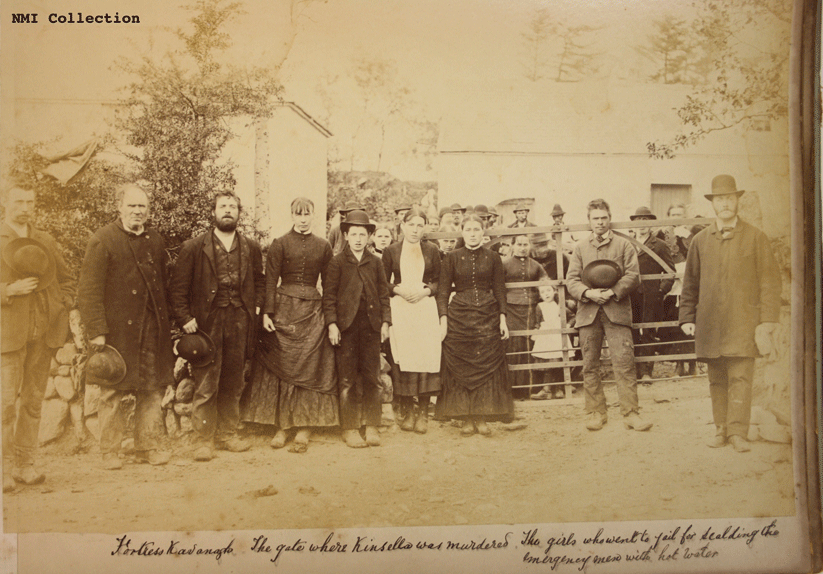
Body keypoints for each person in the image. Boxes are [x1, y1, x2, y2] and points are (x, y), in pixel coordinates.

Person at [679, 175, 781, 453]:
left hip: (743, 322)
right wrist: (687, 318)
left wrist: (767, 321)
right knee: (717, 379)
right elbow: (690, 283)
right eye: (719, 199)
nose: (725, 203)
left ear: (737, 201)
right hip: (710, 323)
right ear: (713, 204)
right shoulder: (700, 241)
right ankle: (720, 430)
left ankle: (738, 433)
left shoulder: (756, 237)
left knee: (741, 378)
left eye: (729, 198)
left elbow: (770, 281)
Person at [78, 183, 175, 469]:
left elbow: (163, 286)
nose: (137, 211)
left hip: (151, 328)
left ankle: (149, 446)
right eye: (131, 205)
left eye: (142, 206)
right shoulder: (103, 239)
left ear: (149, 211)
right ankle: (110, 450)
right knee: (112, 389)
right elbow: (88, 290)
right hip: (117, 331)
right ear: (119, 207)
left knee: (152, 387)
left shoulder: (155, 240)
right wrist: (97, 330)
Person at [169, 192, 264, 461]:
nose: (228, 210)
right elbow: (177, 289)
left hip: (240, 322)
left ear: (239, 213)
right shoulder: (194, 247)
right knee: (206, 382)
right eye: (222, 206)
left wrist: (255, 308)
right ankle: (203, 440)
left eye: (232, 207)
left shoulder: (251, 247)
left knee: (233, 381)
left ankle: (227, 435)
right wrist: (185, 318)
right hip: (207, 324)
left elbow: (260, 281)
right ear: (213, 212)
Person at [240, 197, 338, 453]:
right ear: (292, 216)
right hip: (284, 310)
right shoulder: (280, 243)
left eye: (307, 214)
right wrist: (268, 314)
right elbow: (270, 281)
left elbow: (329, 286)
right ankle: (282, 427)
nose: (303, 219)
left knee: (310, 366)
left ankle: (305, 428)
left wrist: (330, 319)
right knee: (282, 366)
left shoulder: (324, 245)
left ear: (313, 215)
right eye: (298, 214)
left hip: (313, 313)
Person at [1, 180, 75, 490]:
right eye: (18, 202)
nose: (25, 208)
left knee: (32, 403)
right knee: (4, 404)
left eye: (30, 202)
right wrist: (8, 290)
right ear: (5, 202)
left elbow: (68, 279)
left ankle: (25, 465)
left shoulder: (45, 239)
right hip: (7, 336)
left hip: (43, 333)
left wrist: (61, 305)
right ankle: (3, 469)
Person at [566, 198, 651, 432]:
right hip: (588, 313)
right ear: (589, 221)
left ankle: (631, 413)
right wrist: (589, 293)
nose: (600, 222)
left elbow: (633, 275)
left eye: (604, 218)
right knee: (590, 365)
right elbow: (571, 280)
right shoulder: (580, 248)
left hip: (617, 311)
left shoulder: (624, 246)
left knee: (624, 362)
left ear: (609, 218)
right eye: (595, 218)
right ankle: (596, 413)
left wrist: (613, 292)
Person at [436, 214, 513, 436]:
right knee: (461, 364)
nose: (472, 234)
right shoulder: (451, 257)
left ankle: (481, 416)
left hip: (487, 315)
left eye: (476, 229)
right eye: (468, 229)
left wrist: (502, 318)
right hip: (459, 316)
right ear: (462, 232)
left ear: (483, 232)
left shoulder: (493, 257)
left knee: (485, 362)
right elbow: (443, 292)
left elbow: (500, 289)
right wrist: (443, 320)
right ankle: (465, 418)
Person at [323, 209, 391, 448]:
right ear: (346, 235)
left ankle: (372, 425)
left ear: (369, 236)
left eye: (363, 234)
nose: (358, 239)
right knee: (347, 380)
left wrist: (385, 322)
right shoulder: (337, 262)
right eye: (354, 234)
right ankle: (350, 428)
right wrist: (332, 324)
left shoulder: (376, 262)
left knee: (373, 378)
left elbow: (383, 295)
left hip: (371, 326)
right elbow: (329, 297)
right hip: (346, 328)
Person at [382, 208, 442, 434]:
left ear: (424, 227)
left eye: (420, 225)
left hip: (424, 307)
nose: (415, 230)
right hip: (401, 308)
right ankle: (408, 411)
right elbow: (382, 281)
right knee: (405, 356)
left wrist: (426, 291)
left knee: (426, 356)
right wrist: (397, 289)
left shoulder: (432, 250)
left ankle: (423, 413)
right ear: (403, 226)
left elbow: (440, 281)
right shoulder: (391, 251)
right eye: (411, 225)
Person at [628, 206, 674, 381]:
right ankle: (634, 370)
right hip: (629, 295)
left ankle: (647, 371)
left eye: (645, 220)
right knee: (631, 330)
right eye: (638, 220)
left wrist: (661, 290)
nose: (642, 224)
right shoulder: (626, 243)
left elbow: (670, 271)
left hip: (651, 296)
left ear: (651, 223)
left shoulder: (660, 245)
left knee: (648, 332)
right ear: (633, 223)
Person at [502, 234, 548, 400]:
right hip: (511, 309)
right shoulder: (504, 264)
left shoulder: (536, 265)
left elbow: (546, 284)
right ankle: (513, 389)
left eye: (525, 244)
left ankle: (531, 389)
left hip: (530, 308)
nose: (522, 248)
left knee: (530, 343)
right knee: (514, 345)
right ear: (513, 246)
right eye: (519, 244)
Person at [657, 203, 696, 377]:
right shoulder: (661, 234)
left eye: (680, 214)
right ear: (668, 217)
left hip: (689, 284)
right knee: (674, 325)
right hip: (672, 286)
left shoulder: (691, 236)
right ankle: (679, 364)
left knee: (691, 323)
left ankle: (693, 364)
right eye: (673, 215)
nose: (677, 218)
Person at [530, 285, 569, 400]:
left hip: (557, 337)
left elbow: (572, 316)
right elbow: (537, 322)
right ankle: (546, 390)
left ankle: (558, 389)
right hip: (546, 337)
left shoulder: (559, 305)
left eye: (548, 290)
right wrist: (536, 331)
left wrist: (568, 325)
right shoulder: (540, 306)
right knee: (548, 363)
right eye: (542, 292)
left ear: (554, 291)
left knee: (558, 363)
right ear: (540, 295)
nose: (546, 294)